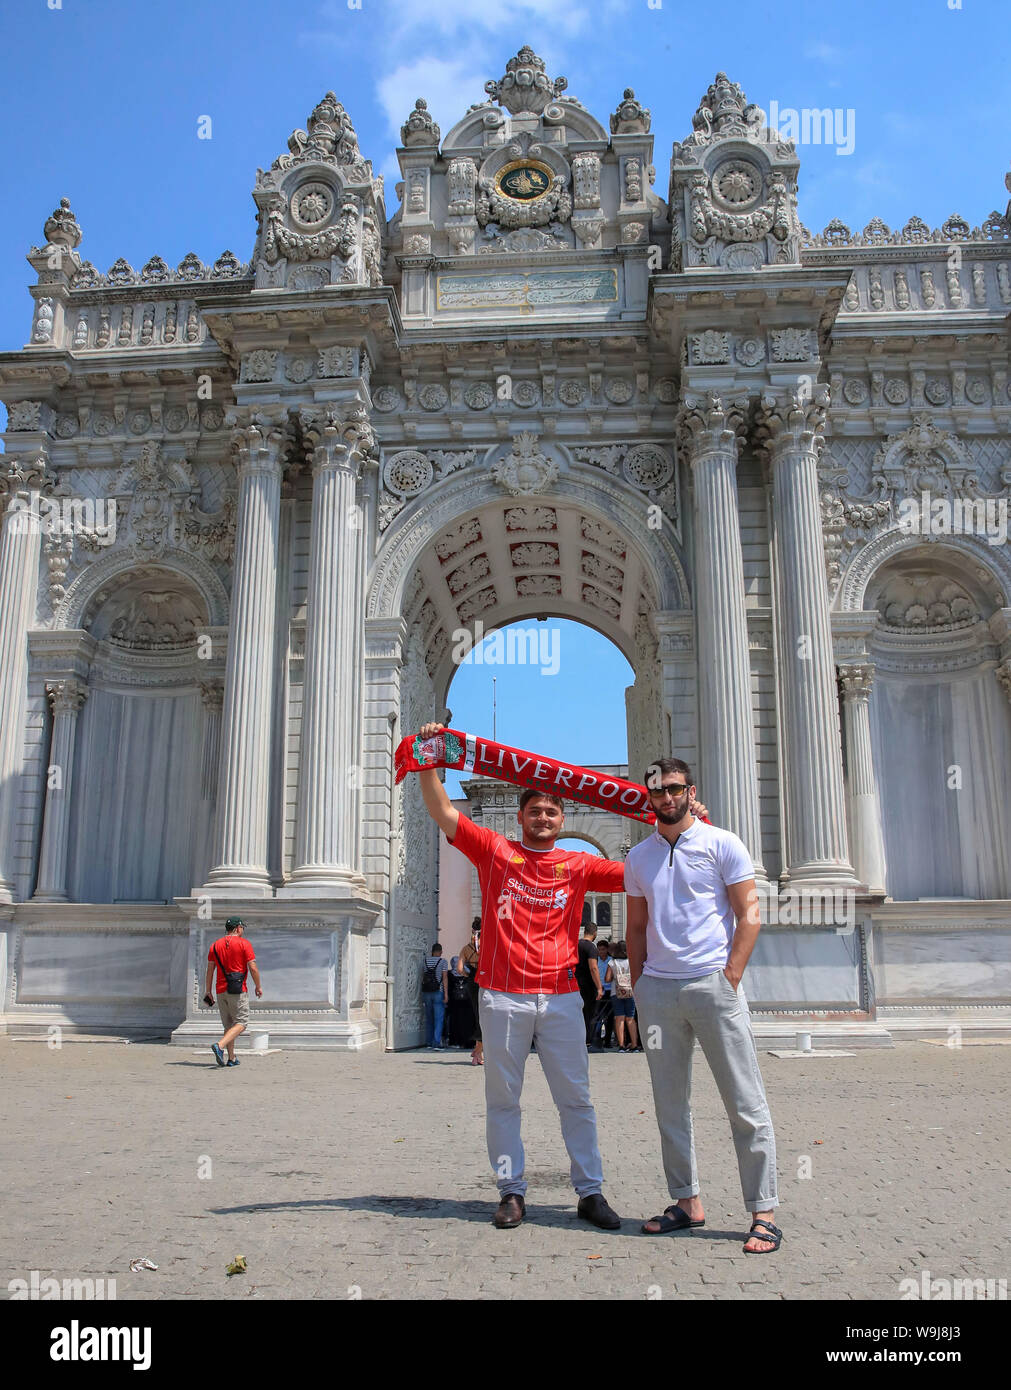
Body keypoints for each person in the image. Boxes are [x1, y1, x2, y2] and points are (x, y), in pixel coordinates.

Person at [415, 720, 625, 1232]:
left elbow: (642, 872)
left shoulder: (578, 866)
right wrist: (428, 759)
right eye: (536, 810)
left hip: (559, 1001)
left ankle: (590, 1192)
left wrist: (686, 824)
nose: (545, 817)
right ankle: (511, 1191)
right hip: (504, 997)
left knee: (576, 1098)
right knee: (503, 1101)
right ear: (521, 816)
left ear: (562, 817)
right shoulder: (495, 852)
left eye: (553, 811)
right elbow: (443, 811)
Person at [626, 758, 781, 1255]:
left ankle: (763, 1212)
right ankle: (686, 1201)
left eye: (674, 789)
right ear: (647, 797)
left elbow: (749, 912)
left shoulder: (723, 843)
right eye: (657, 792)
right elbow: (634, 927)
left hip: (713, 986)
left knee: (745, 1103)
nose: (666, 798)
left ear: (690, 791)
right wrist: (640, 982)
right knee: (671, 1105)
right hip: (659, 993)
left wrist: (730, 975)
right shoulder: (638, 857)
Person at [204, 916, 262, 1068]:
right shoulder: (244, 944)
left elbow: (210, 970)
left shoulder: (215, 945)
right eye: (242, 927)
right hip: (237, 989)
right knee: (242, 1023)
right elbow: (253, 967)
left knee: (229, 1025)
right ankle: (219, 1045)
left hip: (220, 989)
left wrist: (208, 990)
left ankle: (231, 1058)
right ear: (237, 928)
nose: (243, 930)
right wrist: (258, 986)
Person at [605, 941, 638, 1052]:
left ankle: (621, 1045)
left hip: (616, 993)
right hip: (630, 992)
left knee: (619, 1018)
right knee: (630, 1019)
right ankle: (634, 1045)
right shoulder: (631, 961)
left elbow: (607, 979)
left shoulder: (612, 962)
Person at [459, 919, 483, 1065]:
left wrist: (469, 977)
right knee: (485, 1017)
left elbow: (460, 969)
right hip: (485, 980)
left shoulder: (466, 948)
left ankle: (478, 1053)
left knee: (477, 1014)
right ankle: (478, 1052)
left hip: (472, 982)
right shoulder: (487, 946)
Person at [575, 923, 603, 1047]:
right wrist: (599, 987)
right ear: (595, 933)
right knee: (589, 1014)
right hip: (588, 985)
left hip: (575, 984)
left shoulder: (575, 945)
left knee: (577, 1013)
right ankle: (587, 1040)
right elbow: (593, 968)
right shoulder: (591, 948)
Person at [421, 942, 449, 1049]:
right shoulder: (443, 962)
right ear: (440, 952)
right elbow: (445, 978)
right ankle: (436, 1042)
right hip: (438, 991)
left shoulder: (425, 961)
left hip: (427, 992)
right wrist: (446, 994)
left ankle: (428, 1042)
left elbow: (423, 976)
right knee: (439, 1018)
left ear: (432, 951)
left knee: (429, 1017)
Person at [447, 954, 475, 1047]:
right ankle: (468, 1042)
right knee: (467, 1022)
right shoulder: (468, 973)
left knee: (455, 1022)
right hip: (467, 1002)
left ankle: (455, 1041)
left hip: (454, 1002)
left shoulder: (450, 974)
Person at [593, 938, 616, 1049]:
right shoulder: (595, 961)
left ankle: (607, 1040)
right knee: (597, 1016)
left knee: (610, 1017)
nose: (601, 951)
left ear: (607, 949)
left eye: (603, 949)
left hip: (609, 990)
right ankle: (596, 1038)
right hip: (599, 990)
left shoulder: (611, 960)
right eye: (599, 949)